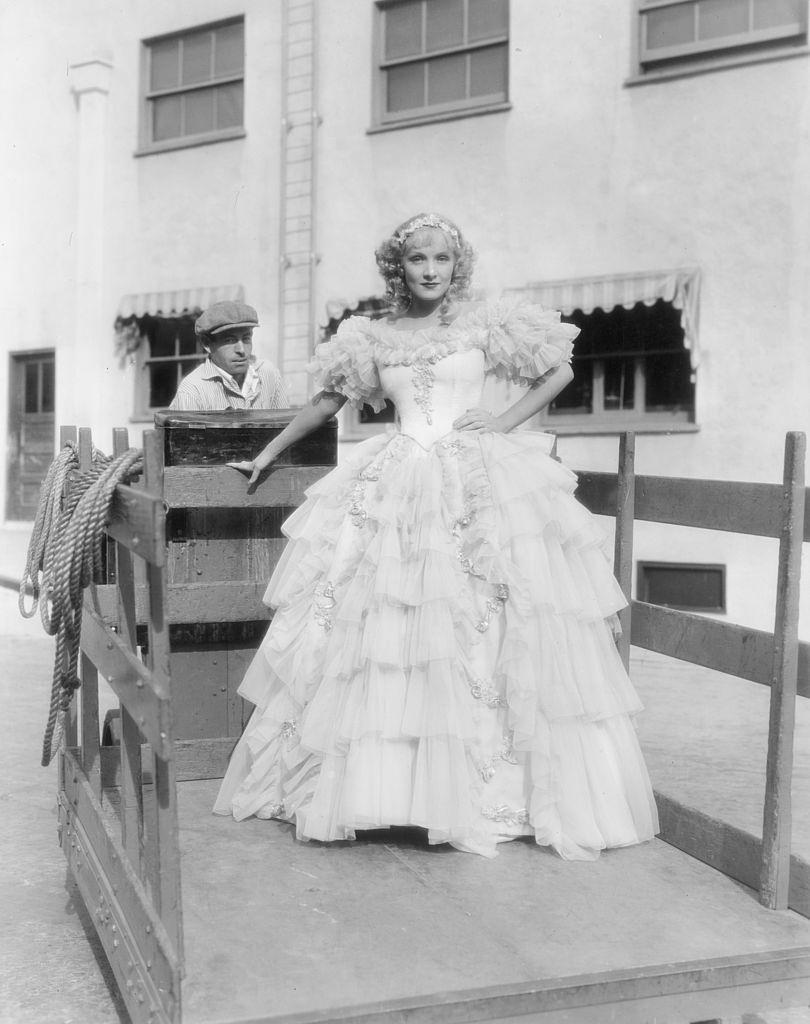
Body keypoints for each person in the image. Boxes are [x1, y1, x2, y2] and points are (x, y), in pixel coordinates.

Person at [214, 213, 659, 860]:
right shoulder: (371, 333)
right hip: (395, 479)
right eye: (418, 259)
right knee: (384, 636)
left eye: (442, 260)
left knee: (484, 626)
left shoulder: (484, 322)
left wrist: (503, 422)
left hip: (475, 478)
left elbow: (558, 370)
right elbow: (325, 402)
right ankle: (388, 796)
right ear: (399, 267)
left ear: (458, 267)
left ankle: (491, 798)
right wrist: (266, 453)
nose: (429, 270)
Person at [169, 300, 289, 411]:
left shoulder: (268, 373)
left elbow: (287, 427)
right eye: (230, 340)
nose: (241, 350)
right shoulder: (193, 391)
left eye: (246, 338)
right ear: (207, 344)